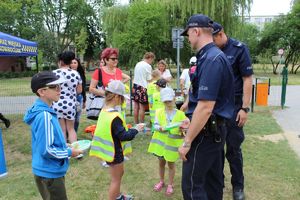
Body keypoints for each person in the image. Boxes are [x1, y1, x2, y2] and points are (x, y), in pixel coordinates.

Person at [178, 14, 235, 200]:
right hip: (213, 130)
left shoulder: (211, 59)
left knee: (192, 186)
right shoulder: (212, 56)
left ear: (196, 31)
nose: (188, 39)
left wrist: (187, 142)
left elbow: (205, 107)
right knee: (213, 183)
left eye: (188, 35)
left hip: (206, 134)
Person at [24, 71, 82, 200]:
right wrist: (69, 152)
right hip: (49, 173)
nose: (59, 90)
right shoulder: (44, 116)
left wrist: (63, 144)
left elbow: (45, 141)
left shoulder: (45, 111)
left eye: (60, 86)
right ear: (42, 92)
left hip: (46, 171)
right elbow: (47, 150)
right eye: (54, 87)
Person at [212, 22, 253, 200]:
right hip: (217, 107)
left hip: (235, 106)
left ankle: (238, 186)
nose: (211, 43)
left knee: (234, 149)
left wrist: (244, 108)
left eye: (213, 39)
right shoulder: (211, 50)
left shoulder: (239, 49)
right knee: (216, 148)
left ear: (221, 34)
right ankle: (217, 185)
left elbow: (247, 79)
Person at [89, 80, 144, 200]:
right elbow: (124, 136)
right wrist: (136, 129)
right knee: (116, 179)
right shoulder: (115, 116)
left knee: (119, 174)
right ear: (116, 97)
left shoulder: (104, 111)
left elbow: (114, 131)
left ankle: (118, 196)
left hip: (109, 152)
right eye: (122, 98)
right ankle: (115, 197)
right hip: (115, 152)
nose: (123, 101)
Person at [148, 87, 190, 196]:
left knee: (171, 164)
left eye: (170, 101)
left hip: (172, 145)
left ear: (174, 100)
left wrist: (183, 129)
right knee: (161, 163)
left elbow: (184, 129)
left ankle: (170, 184)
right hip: (161, 145)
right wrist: (160, 128)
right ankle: (161, 181)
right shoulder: (159, 112)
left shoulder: (180, 114)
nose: (168, 103)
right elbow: (155, 125)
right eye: (165, 102)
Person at [52, 51, 82, 143]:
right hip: (70, 104)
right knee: (71, 129)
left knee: (62, 129)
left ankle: (64, 151)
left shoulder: (54, 73)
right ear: (70, 62)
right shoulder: (75, 74)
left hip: (57, 104)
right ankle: (76, 151)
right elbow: (79, 91)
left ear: (60, 61)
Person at [132, 52, 155, 124]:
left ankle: (136, 123)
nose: (152, 62)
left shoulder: (138, 64)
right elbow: (149, 79)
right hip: (142, 87)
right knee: (142, 107)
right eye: (152, 60)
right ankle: (141, 124)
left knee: (136, 107)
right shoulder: (148, 66)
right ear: (150, 58)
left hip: (135, 86)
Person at [70, 58, 86, 132]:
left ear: (78, 64)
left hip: (79, 99)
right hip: (69, 98)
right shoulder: (67, 74)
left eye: (75, 63)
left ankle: (74, 134)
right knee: (70, 117)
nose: (73, 64)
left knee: (77, 117)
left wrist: (84, 100)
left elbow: (83, 88)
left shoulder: (80, 74)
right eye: (71, 63)